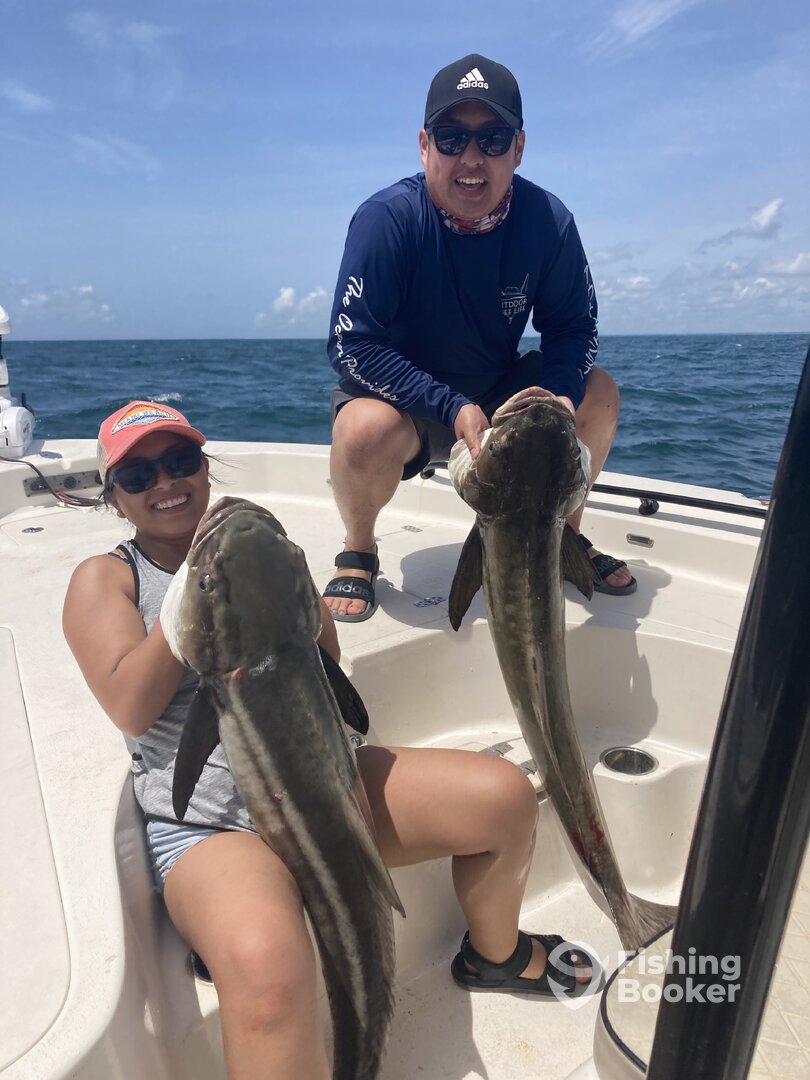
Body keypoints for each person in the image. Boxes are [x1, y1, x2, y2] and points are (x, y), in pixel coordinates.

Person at [63, 400, 598, 1079]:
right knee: (268, 967)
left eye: (179, 461)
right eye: (137, 475)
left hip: (325, 782)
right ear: (113, 498)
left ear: (203, 467)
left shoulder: (256, 546)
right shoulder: (107, 579)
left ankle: (494, 956)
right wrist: (200, 602)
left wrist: (279, 579)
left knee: (503, 797)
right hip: (209, 826)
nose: (164, 482)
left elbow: (331, 660)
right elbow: (131, 707)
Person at [323, 53, 637, 622]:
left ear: (519, 148)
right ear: (424, 146)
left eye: (492, 139)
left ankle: (564, 537)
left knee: (600, 393)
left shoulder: (549, 220)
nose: (471, 158)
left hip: (498, 391)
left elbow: (571, 327)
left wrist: (562, 397)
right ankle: (359, 548)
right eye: (452, 137)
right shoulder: (387, 220)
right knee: (361, 429)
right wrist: (451, 405)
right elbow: (352, 345)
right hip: (408, 404)